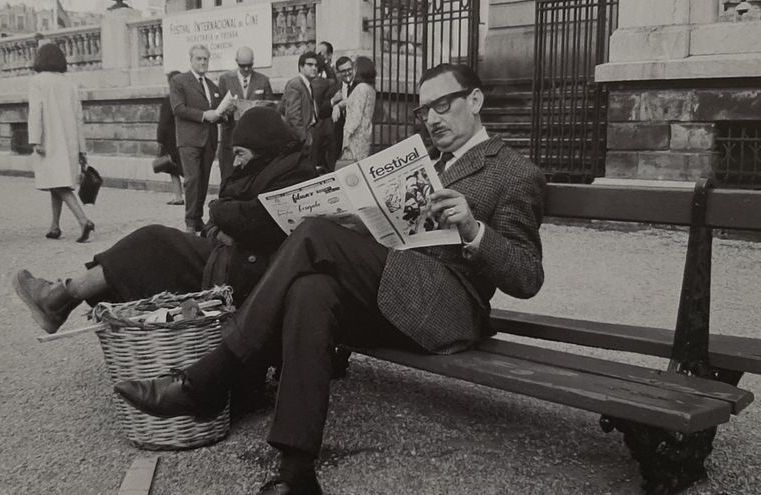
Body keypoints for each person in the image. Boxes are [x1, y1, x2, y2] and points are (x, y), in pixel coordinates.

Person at [113, 63, 547, 495]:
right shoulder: (425, 163)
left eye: (442, 105)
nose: (432, 118)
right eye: (424, 110)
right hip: (395, 295)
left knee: (314, 235)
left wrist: (474, 229)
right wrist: (362, 225)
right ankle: (296, 471)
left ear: (474, 100)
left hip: (448, 309)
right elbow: (397, 236)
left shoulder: (513, 172)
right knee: (311, 289)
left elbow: (527, 277)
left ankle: (209, 379)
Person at [13, 106, 315, 332]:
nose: (235, 161)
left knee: (153, 242)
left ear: (264, 147)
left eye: (240, 153)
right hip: (233, 256)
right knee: (151, 250)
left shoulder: (295, 174)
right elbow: (234, 214)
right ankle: (61, 297)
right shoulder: (268, 166)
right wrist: (223, 218)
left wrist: (217, 211)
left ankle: (59, 297)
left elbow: (251, 221)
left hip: (248, 271)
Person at [28, 43, 94, 243]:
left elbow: (35, 112)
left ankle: (83, 221)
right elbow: (78, 118)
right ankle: (55, 226)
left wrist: (35, 139)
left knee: (57, 182)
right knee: (57, 181)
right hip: (69, 141)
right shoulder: (69, 84)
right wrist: (82, 149)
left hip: (49, 140)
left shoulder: (37, 81)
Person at [170, 44, 224, 233]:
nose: (202, 62)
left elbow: (217, 110)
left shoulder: (212, 86)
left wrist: (225, 112)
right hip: (189, 140)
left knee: (203, 181)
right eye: (198, 58)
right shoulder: (179, 81)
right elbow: (178, 108)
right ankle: (190, 223)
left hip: (209, 139)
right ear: (191, 60)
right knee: (192, 180)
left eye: (205, 59)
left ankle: (197, 217)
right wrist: (203, 115)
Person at [217, 46, 273, 183]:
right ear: (236, 62)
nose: (247, 69)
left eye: (249, 65)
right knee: (228, 177)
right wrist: (227, 111)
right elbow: (217, 110)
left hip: (255, 139)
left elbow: (272, 108)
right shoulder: (225, 79)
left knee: (253, 179)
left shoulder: (263, 80)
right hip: (231, 138)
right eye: (243, 66)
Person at [339, 56, 377, 164]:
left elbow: (355, 117)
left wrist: (346, 138)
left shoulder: (361, 88)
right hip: (365, 135)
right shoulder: (370, 89)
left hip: (355, 138)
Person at [156, 70, 185, 206]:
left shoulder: (169, 100)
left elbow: (163, 123)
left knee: (173, 170)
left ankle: (178, 196)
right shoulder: (186, 98)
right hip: (185, 138)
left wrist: (160, 140)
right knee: (185, 169)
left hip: (171, 141)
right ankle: (189, 196)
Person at [310, 41, 340, 173]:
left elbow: (336, 89)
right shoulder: (313, 73)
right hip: (317, 124)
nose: (319, 57)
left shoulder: (338, 73)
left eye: (321, 54)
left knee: (332, 159)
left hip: (332, 122)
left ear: (330, 55)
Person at [279, 51, 318, 148]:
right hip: (301, 137)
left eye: (316, 65)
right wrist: (303, 138)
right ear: (301, 67)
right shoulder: (295, 84)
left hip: (309, 132)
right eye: (309, 65)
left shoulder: (308, 84)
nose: (314, 68)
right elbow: (293, 115)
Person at [331, 56, 354, 162]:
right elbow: (322, 111)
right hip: (339, 134)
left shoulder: (360, 85)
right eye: (343, 71)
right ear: (338, 73)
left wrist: (338, 106)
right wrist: (333, 101)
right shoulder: (334, 88)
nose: (347, 73)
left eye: (349, 69)